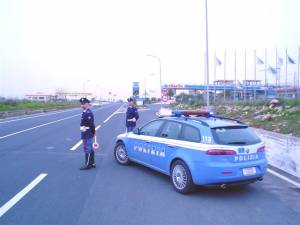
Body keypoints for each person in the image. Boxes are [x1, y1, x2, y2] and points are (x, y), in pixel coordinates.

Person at [79, 97, 96, 170]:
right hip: (85, 133)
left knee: (87, 148)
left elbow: (91, 124)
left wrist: (93, 132)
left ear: (87, 104)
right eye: (81, 104)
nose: (82, 105)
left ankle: (88, 164)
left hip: (87, 133)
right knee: (90, 148)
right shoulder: (85, 112)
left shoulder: (88, 113)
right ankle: (92, 163)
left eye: (83, 104)